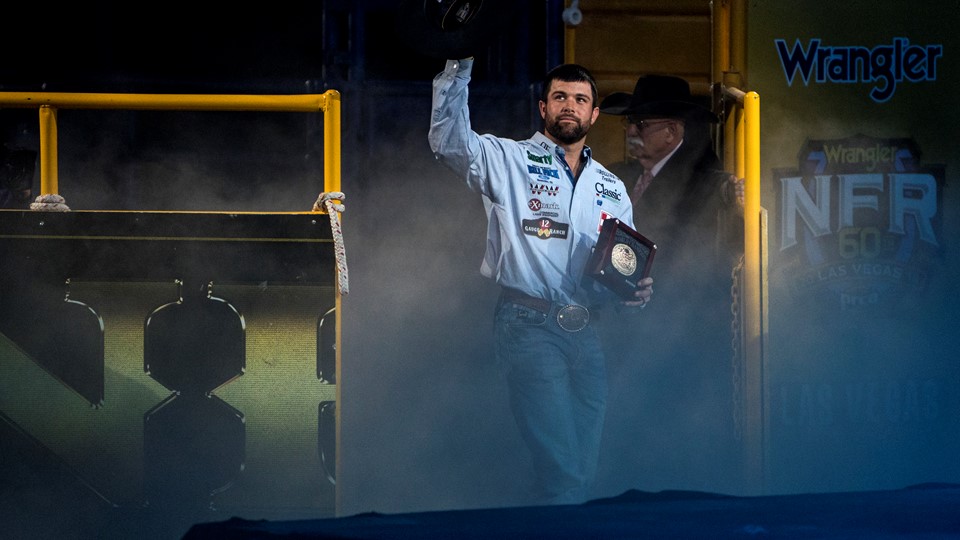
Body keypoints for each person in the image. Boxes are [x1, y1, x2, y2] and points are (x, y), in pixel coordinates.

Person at [428, 57, 653, 505]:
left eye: (581, 99)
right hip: (527, 324)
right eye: (560, 97)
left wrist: (633, 294)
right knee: (564, 469)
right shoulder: (508, 158)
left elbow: (621, 267)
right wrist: (459, 63)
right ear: (543, 108)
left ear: (593, 115)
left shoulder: (611, 186)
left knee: (582, 469)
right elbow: (449, 142)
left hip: (586, 331)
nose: (570, 105)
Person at [596, 74, 745, 490]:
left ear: (672, 131)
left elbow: (702, 265)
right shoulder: (620, 177)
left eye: (640, 125)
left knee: (672, 441)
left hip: (681, 334)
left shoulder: (708, 183)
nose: (630, 132)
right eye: (631, 124)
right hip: (633, 332)